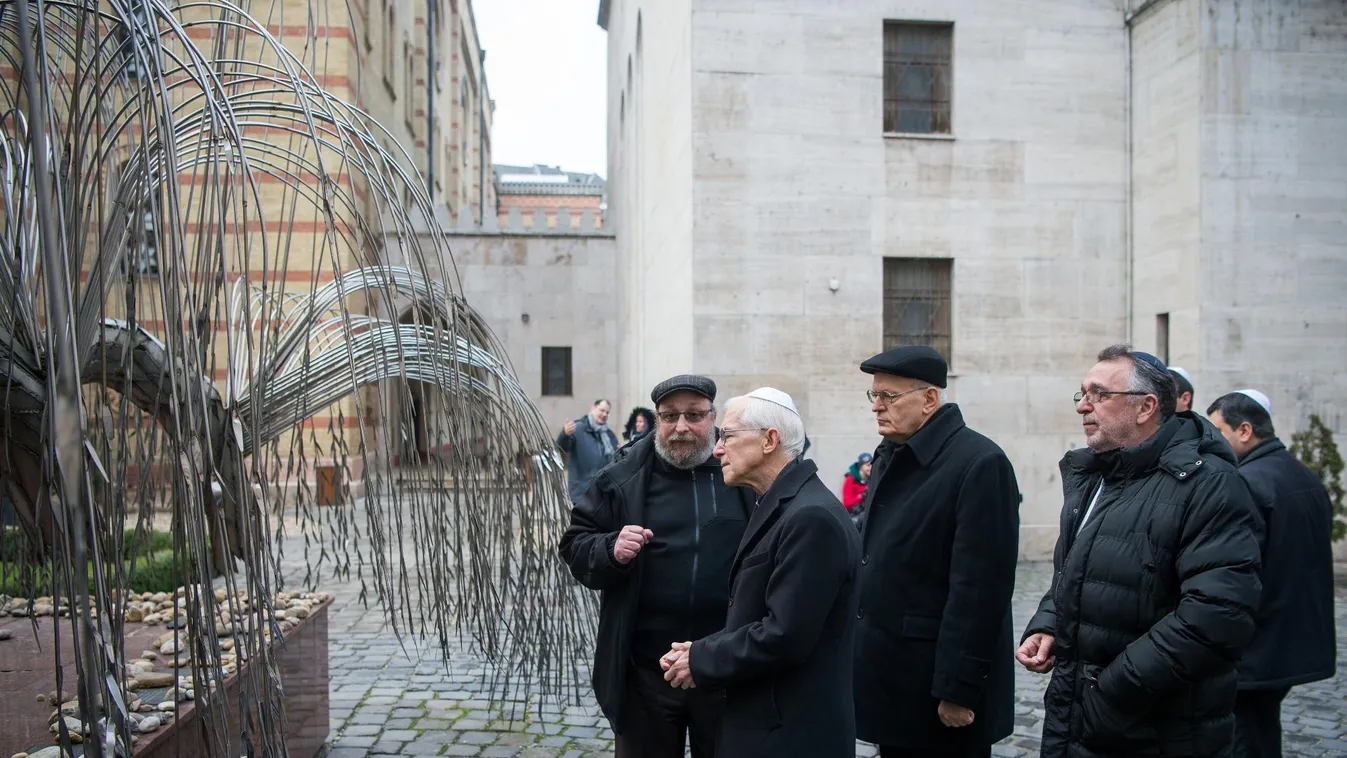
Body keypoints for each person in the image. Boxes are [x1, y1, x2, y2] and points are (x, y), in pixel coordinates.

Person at [1017, 345, 1264, 758]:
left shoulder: (1209, 484)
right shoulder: (1096, 474)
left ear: (1146, 406)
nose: (1083, 406)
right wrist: (1048, 624)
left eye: (1099, 394)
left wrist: (1110, 692)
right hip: (1080, 720)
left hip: (1158, 731)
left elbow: (1217, 614)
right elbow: (1074, 574)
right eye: (1082, 393)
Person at [557, 375, 753, 758]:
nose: (681, 427)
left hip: (725, 670)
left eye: (694, 416)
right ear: (656, 418)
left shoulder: (743, 473)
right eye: (670, 416)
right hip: (645, 674)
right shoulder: (622, 476)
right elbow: (575, 544)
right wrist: (611, 548)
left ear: (713, 418)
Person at [661, 388, 861, 758]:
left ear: (770, 440)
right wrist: (701, 649)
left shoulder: (810, 517)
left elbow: (785, 634)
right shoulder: (784, 504)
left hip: (791, 733)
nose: (717, 449)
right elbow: (754, 612)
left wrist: (703, 659)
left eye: (729, 436)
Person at [851, 346, 1021, 758]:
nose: (876, 407)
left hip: (936, 686)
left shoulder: (979, 462)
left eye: (888, 397)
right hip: (893, 677)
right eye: (873, 396)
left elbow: (980, 589)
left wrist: (958, 689)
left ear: (929, 399)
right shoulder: (894, 453)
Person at [1206, 390, 1336, 758]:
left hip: (1259, 645)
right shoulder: (1303, 475)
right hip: (1291, 640)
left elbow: (1238, 573)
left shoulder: (1248, 482)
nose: (1211, 442)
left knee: (1246, 739)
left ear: (1245, 430)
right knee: (1261, 732)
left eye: (1218, 432)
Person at [556, 399, 620, 503]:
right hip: (582, 493)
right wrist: (565, 434)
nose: (604, 414)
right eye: (602, 410)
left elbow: (615, 459)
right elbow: (562, 447)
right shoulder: (577, 428)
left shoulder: (609, 435)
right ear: (593, 408)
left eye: (607, 412)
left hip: (603, 493)